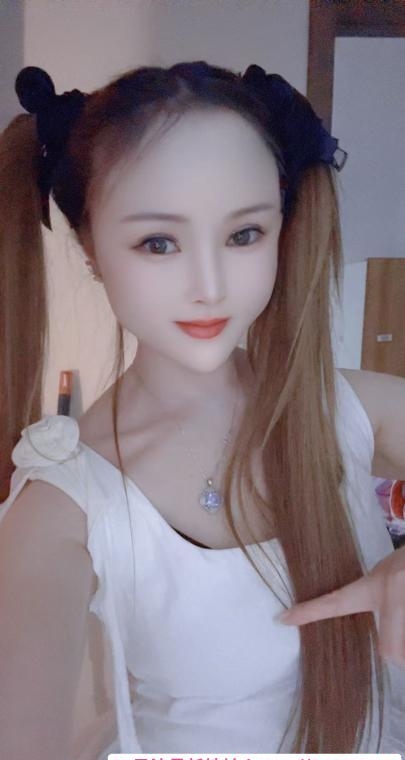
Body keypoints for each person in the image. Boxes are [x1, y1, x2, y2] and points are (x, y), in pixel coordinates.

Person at [0, 61, 404, 760]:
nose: (210, 287)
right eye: (159, 243)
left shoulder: (347, 409)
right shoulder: (67, 503)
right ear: (91, 249)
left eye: (244, 234)